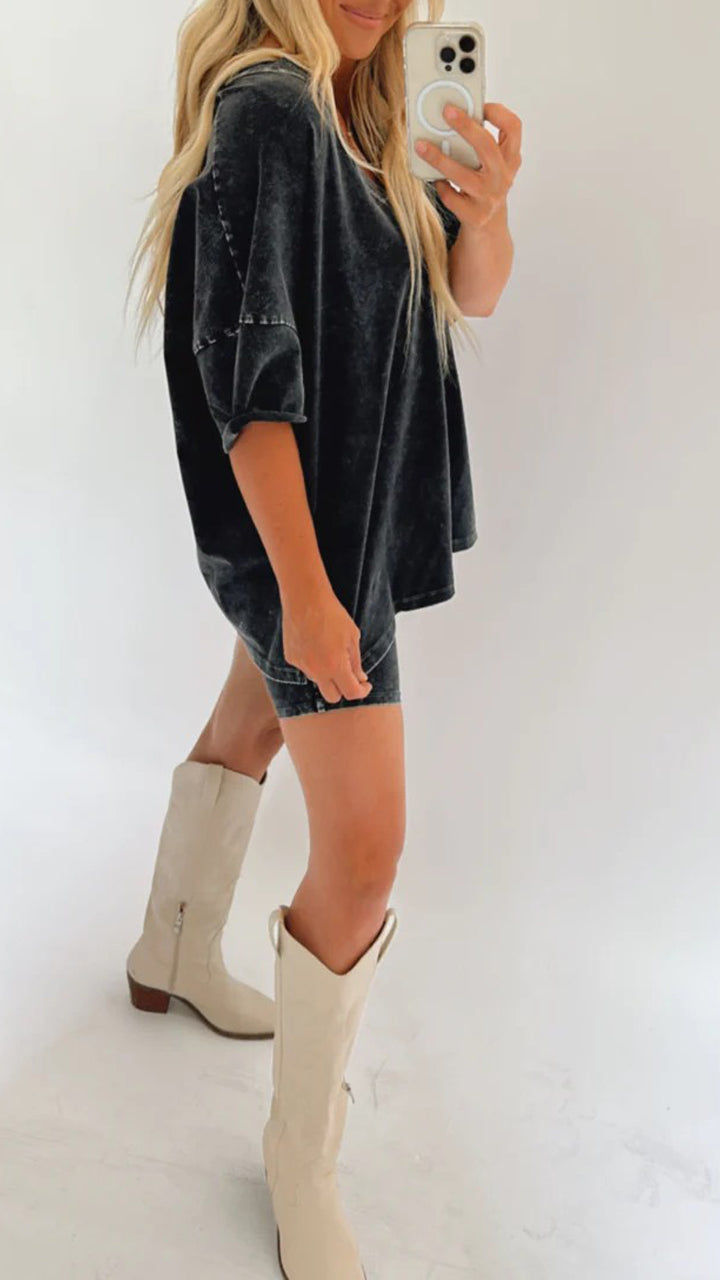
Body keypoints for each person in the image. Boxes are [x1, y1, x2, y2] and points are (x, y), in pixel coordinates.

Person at [125, 2, 521, 1276]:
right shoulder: (270, 107)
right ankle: (301, 1164)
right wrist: (305, 590)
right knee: (364, 852)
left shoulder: (362, 119)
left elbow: (471, 293)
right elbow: (249, 379)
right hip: (311, 547)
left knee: (251, 724)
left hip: (343, 530)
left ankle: (170, 948)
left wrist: (487, 208)